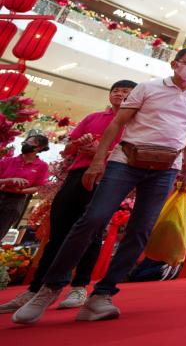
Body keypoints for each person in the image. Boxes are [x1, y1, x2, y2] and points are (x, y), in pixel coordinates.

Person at [13, 48, 186, 325]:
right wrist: (98, 161)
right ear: (174, 64)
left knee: (140, 231)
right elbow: (117, 124)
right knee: (92, 219)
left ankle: (102, 295)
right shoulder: (147, 87)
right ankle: (50, 288)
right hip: (126, 161)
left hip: (165, 170)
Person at [0, 80, 137, 314]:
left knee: (92, 233)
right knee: (58, 232)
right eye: (115, 91)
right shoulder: (93, 118)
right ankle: (36, 289)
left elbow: (133, 155)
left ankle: (79, 286)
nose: (119, 95)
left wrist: (100, 151)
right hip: (76, 175)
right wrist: (79, 145)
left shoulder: (136, 124)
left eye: (126, 92)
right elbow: (67, 150)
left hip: (108, 177)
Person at [0, 133, 50, 240]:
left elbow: (39, 187)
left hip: (16, 201)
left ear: (39, 148)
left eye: (31, 142)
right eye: (26, 141)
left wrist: (20, 191)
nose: (26, 144)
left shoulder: (42, 166)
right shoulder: (7, 160)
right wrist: (8, 181)